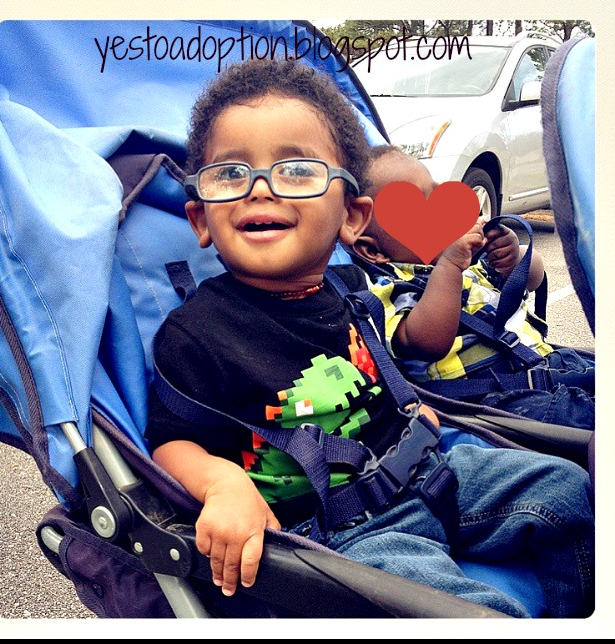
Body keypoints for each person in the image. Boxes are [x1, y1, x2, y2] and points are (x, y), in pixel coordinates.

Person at [145, 58, 594, 618]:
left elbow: (374, 369)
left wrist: (407, 407)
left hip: (428, 472)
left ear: (352, 218)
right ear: (200, 219)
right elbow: (171, 440)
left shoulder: (349, 292)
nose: (260, 189)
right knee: (465, 613)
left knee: (567, 489)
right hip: (347, 531)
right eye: (232, 174)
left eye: (296, 170)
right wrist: (222, 485)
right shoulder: (196, 333)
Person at [352, 145, 594, 430]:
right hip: (499, 399)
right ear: (373, 250)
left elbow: (533, 278)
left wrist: (513, 258)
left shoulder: (472, 264)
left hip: (554, 364)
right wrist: (450, 267)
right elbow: (428, 342)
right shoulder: (388, 291)